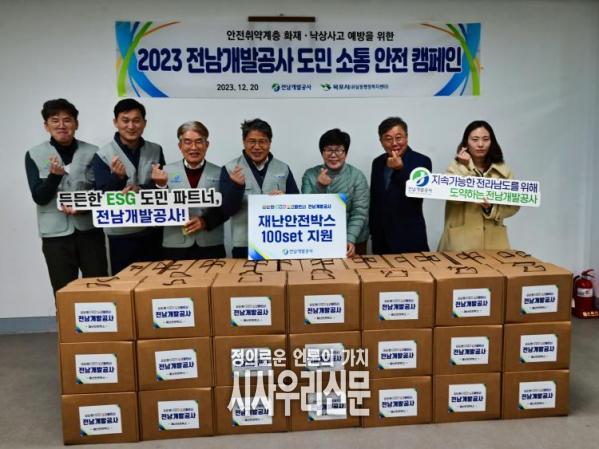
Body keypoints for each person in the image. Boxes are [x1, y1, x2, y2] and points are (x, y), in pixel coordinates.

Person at [25, 99, 107, 294]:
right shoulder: (34, 154)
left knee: (99, 288)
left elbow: (102, 192)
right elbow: (39, 197)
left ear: (76, 124)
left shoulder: (93, 152)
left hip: (89, 231)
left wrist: (84, 208)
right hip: (55, 236)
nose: (61, 125)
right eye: (55, 120)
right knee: (63, 292)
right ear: (46, 126)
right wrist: (54, 177)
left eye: (67, 120)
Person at [92, 99, 165, 274]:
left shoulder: (156, 149)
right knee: (124, 282)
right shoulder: (103, 154)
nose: (131, 126)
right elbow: (101, 194)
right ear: (115, 122)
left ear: (144, 123)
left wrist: (143, 189)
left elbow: (161, 186)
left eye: (136, 120)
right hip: (121, 233)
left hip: (152, 229)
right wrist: (118, 177)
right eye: (125, 120)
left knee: (155, 281)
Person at [220, 118, 299, 258]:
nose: (257, 147)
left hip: (278, 242)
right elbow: (226, 211)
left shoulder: (283, 168)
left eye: (262, 141)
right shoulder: (230, 169)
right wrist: (236, 187)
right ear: (244, 142)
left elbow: (297, 206)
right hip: (244, 245)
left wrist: (284, 201)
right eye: (252, 141)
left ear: (270, 143)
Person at [438, 120, 519, 251]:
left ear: (492, 142)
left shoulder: (503, 170)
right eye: (475, 139)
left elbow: (514, 205)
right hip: (460, 242)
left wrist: (491, 208)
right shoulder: (455, 168)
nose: (480, 144)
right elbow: (451, 197)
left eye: (485, 139)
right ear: (466, 143)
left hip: (493, 242)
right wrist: (467, 167)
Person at [151, 121, 227, 259]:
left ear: (207, 145)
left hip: (210, 244)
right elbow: (155, 209)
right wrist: (161, 186)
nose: (193, 147)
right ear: (180, 145)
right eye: (187, 142)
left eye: (199, 141)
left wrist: (205, 221)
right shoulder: (163, 172)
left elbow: (227, 207)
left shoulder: (221, 172)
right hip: (174, 244)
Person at [301, 128, 369, 257]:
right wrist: (320, 186)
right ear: (322, 152)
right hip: (319, 239)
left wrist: (350, 239)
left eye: (338, 150)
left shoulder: (357, 176)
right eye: (328, 150)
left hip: (353, 241)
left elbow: (360, 212)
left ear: (346, 153)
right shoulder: (310, 175)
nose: (333, 155)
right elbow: (306, 210)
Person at [370, 117, 432, 254]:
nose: (394, 143)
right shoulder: (378, 162)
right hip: (381, 239)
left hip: (409, 237)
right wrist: (372, 231)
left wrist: (400, 169)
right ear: (381, 141)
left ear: (406, 138)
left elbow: (419, 194)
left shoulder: (422, 161)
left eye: (398, 138)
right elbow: (375, 199)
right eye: (388, 139)